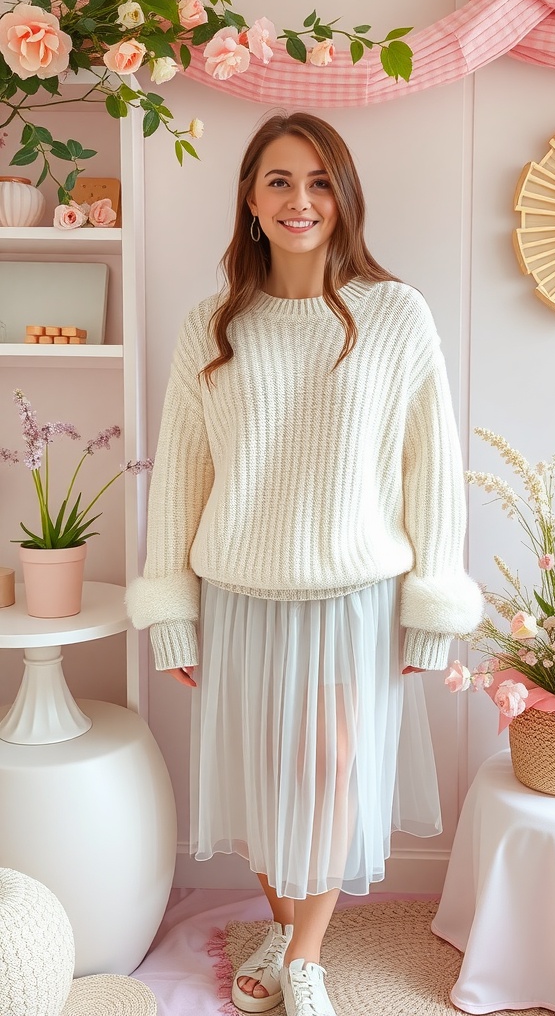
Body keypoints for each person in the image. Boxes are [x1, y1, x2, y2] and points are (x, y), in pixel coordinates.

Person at [126, 111, 482, 1016]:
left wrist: (430, 613)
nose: (300, 199)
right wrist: (171, 608)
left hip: (354, 597)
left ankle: (310, 955)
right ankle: (284, 930)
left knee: (327, 771)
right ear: (250, 199)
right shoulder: (212, 324)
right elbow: (181, 477)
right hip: (239, 593)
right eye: (279, 180)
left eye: (319, 181)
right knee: (261, 778)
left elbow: (431, 469)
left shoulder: (396, 315)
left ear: (345, 197)